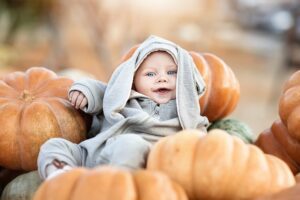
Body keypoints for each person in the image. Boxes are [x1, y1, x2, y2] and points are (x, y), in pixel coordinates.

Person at [37, 35, 209, 180]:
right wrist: (85, 92)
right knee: (53, 145)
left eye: (171, 72)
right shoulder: (123, 96)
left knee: (131, 144)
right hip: (94, 154)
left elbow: (201, 142)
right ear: (133, 79)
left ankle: (112, 189)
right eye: (150, 74)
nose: (162, 78)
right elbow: (102, 90)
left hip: (136, 161)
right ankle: (60, 178)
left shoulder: (186, 112)